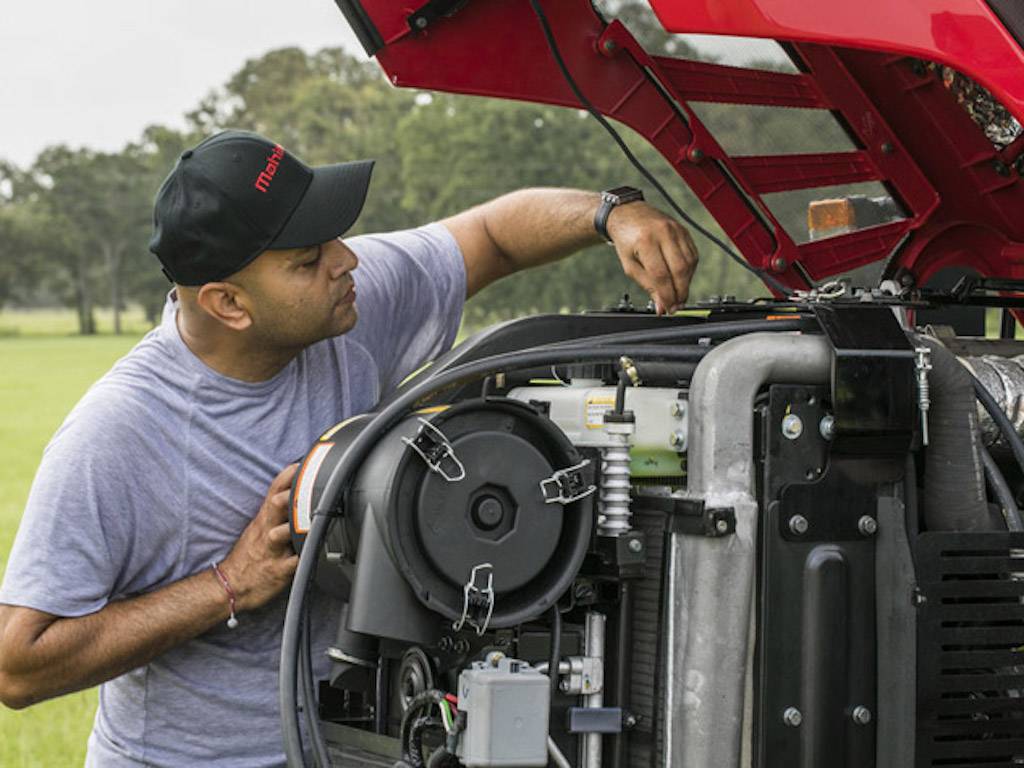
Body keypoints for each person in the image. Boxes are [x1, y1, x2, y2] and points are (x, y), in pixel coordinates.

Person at [0, 130, 698, 766]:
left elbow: (492, 234)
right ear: (229, 305)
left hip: (345, 747)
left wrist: (613, 213)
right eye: (308, 260)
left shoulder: (348, 304)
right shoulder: (119, 436)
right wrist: (227, 586)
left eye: (334, 239)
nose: (348, 261)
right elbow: (18, 664)